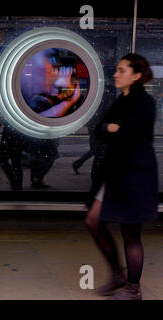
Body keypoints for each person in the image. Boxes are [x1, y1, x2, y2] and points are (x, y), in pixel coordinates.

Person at [85, 53, 158, 300]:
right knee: (93, 221)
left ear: (136, 76)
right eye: (117, 70)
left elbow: (126, 136)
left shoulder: (144, 103)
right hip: (115, 174)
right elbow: (99, 129)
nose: (116, 74)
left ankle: (133, 289)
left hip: (135, 176)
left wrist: (112, 129)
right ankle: (117, 274)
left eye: (122, 70)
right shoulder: (120, 102)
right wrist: (109, 128)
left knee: (131, 233)